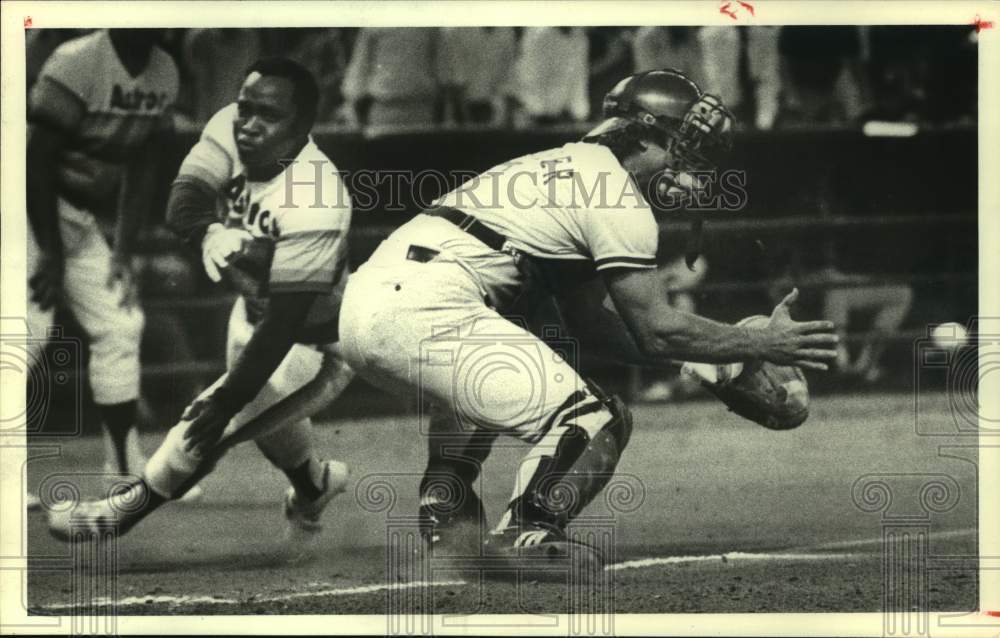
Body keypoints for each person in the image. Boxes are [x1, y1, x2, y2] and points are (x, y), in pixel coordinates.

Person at [338, 70, 839, 563]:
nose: (690, 172)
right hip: (426, 308)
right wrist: (756, 345)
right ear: (641, 134)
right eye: (682, 150)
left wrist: (706, 362)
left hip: (373, 307)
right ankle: (528, 531)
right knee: (594, 417)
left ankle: (446, 517)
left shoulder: (563, 167)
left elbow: (595, 324)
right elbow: (655, 329)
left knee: (482, 376)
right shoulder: (615, 194)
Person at [48, 58, 356, 545]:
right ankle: (315, 486)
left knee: (217, 416)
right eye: (245, 107)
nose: (250, 123)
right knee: (271, 431)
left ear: (301, 126)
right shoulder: (229, 129)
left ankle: (118, 514)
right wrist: (211, 230)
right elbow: (183, 203)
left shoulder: (318, 196)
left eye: (269, 115)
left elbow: (284, 323)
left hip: (313, 343)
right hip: (252, 317)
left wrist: (226, 397)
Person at [26, 29, 179, 504]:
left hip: (76, 218)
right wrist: (49, 252)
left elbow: (144, 165)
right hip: (22, 211)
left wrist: (124, 250)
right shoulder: (77, 60)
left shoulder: (164, 72)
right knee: (26, 331)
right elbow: (34, 161)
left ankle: (123, 465)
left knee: (120, 321)